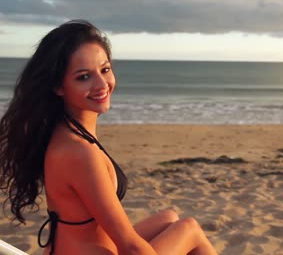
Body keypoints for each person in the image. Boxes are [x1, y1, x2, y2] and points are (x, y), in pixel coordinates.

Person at [0, 20, 217, 255]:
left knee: (169, 218)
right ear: (58, 86)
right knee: (190, 229)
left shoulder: (65, 130)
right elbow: (131, 248)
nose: (102, 84)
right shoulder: (79, 152)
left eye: (104, 70)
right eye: (84, 77)